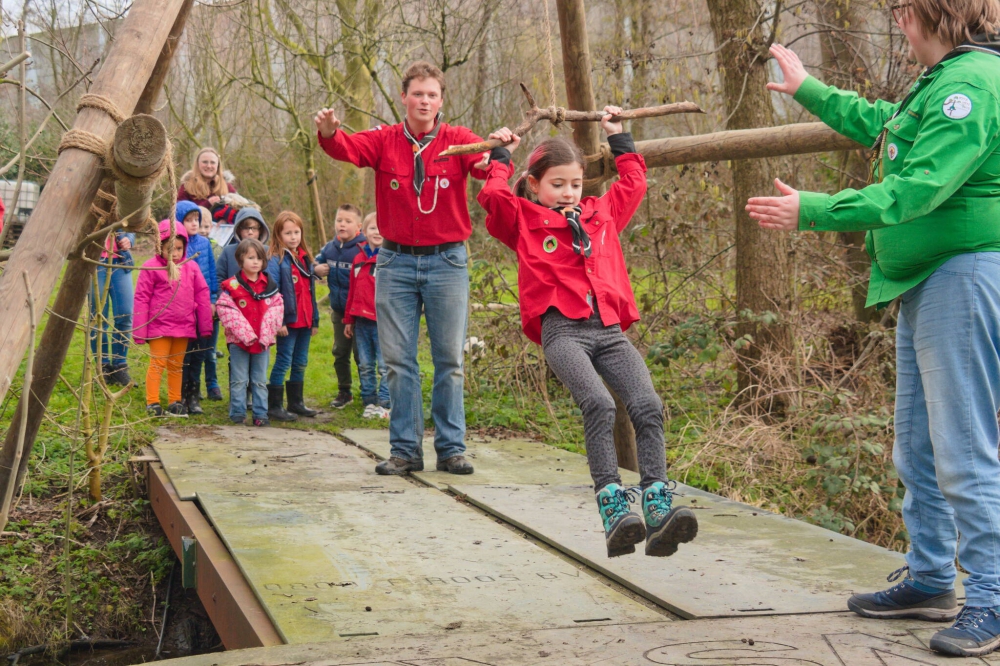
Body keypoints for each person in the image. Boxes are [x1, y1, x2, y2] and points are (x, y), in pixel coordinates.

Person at [746, 3, 1000, 653]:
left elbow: (919, 187)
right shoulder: (943, 79)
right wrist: (809, 89)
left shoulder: (971, 85)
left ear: (931, 15)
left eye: (901, 12)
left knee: (964, 446)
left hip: (962, 274)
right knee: (917, 445)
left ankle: (993, 596)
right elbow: (885, 129)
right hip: (924, 279)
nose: (897, 25)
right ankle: (932, 576)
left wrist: (815, 210)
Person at [477, 113, 698, 559]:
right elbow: (494, 198)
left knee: (647, 405)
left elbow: (633, 185)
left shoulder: (600, 215)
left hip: (609, 331)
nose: (568, 193)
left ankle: (657, 505)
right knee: (597, 403)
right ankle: (613, 507)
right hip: (564, 333)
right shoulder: (524, 220)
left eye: (575, 184)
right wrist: (500, 157)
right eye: (557, 184)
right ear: (535, 185)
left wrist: (621, 140)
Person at [314, 60, 488, 476]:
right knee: (398, 360)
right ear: (404, 97)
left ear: (441, 100)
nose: (424, 101)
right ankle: (405, 450)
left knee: (449, 359)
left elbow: (489, 165)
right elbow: (347, 148)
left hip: (447, 261)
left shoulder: (458, 140)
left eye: (432, 94)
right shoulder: (386, 140)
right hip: (394, 262)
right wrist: (328, 131)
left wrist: (498, 153)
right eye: (417, 93)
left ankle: (451, 449)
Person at [133, 220, 213, 416]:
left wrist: (205, 326)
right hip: (159, 326)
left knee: (177, 365)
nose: (175, 253)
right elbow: (141, 298)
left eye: (179, 248)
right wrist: (140, 330)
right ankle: (152, 402)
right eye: (170, 249)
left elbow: (202, 294)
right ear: (160, 247)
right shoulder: (151, 268)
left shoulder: (191, 267)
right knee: (157, 364)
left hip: (183, 326)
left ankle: (175, 401)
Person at [217, 239, 284, 426]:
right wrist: (245, 334)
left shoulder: (269, 286)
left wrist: (265, 334)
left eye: (259, 259)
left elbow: (277, 309)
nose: (256, 262)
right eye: (251, 258)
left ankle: (260, 415)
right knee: (239, 379)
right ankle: (237, 414)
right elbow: (225, 309)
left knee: (260, 380)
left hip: (262, 343)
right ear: (240, 260)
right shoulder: (232, 286)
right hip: (239, 342)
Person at [266, 211, 320, 421]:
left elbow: (311, 291)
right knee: (284, 360)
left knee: (301, 361)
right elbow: (273, 291)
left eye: (296, 232)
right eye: (288, 233)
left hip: (305, 321)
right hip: (287, 322)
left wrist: (314, 320)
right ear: (278, 235)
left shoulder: (305, 258)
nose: (293, 237)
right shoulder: (276, 260)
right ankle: (274, 405)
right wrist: (279, 321)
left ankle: (296, 403)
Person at [314, 204, 365, 408]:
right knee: (340, 352)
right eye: (339, 220)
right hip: (338, 311)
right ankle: (344, 391)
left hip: (361, 314)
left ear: (358, 226)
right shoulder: (329, 248)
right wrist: (316, 268)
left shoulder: (363, 249)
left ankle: (368, 393)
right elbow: (312, 264)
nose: (342, 224)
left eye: (347, 221)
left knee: (361, 354)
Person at [344, 213, 390, 418]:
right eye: (373, 228)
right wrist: (348, 319)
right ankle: (369, 402)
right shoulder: (358, 259)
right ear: (363, 232)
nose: (377, 232)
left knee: (384, 365)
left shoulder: (390, 259)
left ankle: (385, 402)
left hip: (383, 322)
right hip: (361, 322)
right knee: (365, 364)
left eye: (382, 228)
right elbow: (352, 291)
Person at [176, 201, 219, 415]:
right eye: (189, 220)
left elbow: (211, 274)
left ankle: (194, 394)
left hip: (203, 306)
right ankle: (180, 395)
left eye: (196, 220)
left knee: (200, 351)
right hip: (183, 306)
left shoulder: (204, 243)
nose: (194, 224)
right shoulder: (176, 245)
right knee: (184, 353)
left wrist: (212, 300)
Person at [90, 229, 135, 387]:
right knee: (97, 316)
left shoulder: (122, 205)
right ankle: (103, 367)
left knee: (125, 313)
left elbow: (132, 224)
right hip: (96, 260)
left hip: (120, 261)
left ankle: (119, 366)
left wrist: (129, 238)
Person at [177, 147, 239, 224]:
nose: (209, 166)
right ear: (198, 164)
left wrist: (226, 220)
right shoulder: (187, 186)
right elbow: (179, 213)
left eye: (212, 162)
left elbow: (240, 209)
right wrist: (207, 204)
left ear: (218, 165)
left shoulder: (227, 186)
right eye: (205, 162)